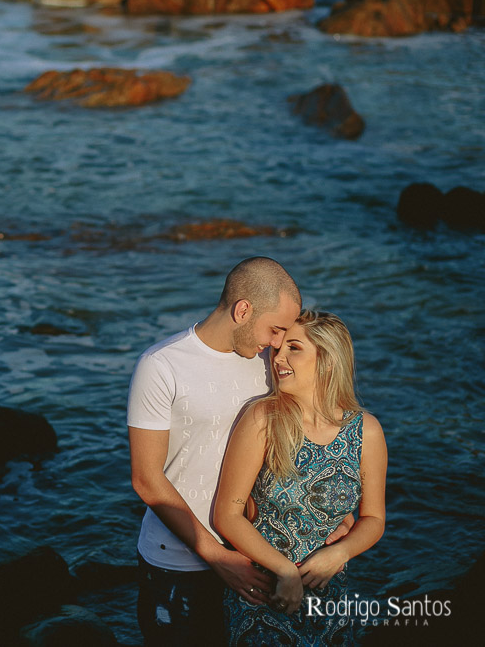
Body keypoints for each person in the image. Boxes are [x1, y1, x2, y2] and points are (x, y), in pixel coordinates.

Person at [128, 256, 330, 645]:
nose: (278, 343)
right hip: (177, 564)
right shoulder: (161, 365)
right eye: (275, 329)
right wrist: (218, 557)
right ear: (242, 310)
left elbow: (301, 435)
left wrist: (329, 511)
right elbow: (146, 479)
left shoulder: (269, 363)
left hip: (256, 555)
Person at [213, 310, 387, 645]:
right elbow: (228, 514)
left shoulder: (366, 431)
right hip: (263, 592)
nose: (277, 357)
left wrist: (341, 553)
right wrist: (285, 570)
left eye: (294, 348)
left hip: (329, 597)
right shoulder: (264, 419)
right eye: (278, 348)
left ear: (328, 361)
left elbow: (374, 518)